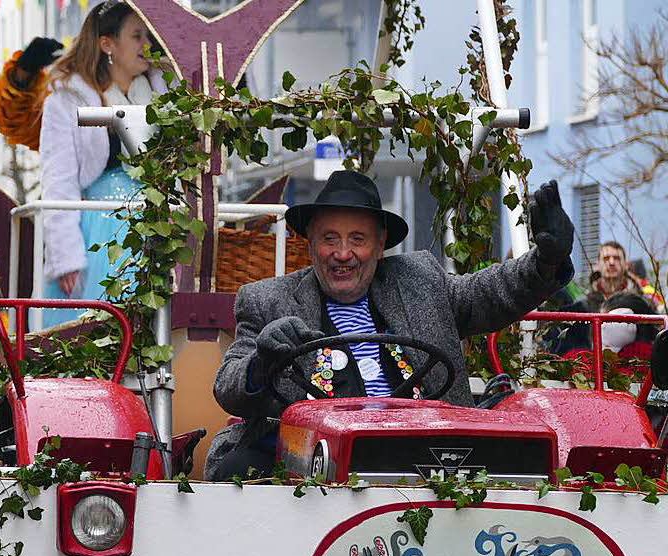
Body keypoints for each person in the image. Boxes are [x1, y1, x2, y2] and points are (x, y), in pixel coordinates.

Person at [204, 170, 575, 481]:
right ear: (310, 244)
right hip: (311, 466)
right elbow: (229, 387)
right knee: (239, 470)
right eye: (329, 238)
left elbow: (491, 292)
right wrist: (261, 362)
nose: (343, 253)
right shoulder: (266, 300)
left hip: (425, 457)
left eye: (358, 239)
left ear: (380, 245)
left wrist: (545, 260)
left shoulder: (421, 280)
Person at [38, 0, 167, 327]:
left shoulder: (163, 93)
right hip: (101, 229)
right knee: (101, 332)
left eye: (149, 36)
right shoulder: (66, 100)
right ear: (107, 44)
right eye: (137, 36)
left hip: (160, 227)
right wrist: (66, 257)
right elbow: (58, 180)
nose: (147, 45)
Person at [586, 240, 663, 312]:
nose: (611, 262)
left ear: (626, 265)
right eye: (606, 258)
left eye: (617, 258)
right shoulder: (584, 305)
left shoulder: (643, 304)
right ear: (597, 264)